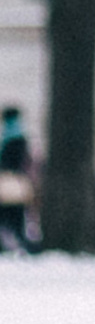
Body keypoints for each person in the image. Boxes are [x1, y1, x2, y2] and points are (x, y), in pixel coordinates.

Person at [0, 104, 33, 252]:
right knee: (17, 220)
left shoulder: (9, 138)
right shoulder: (21, 137)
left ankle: (15, 247)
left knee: (7, 218)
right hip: (18, 185)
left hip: (8, 184)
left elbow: (7, 162)